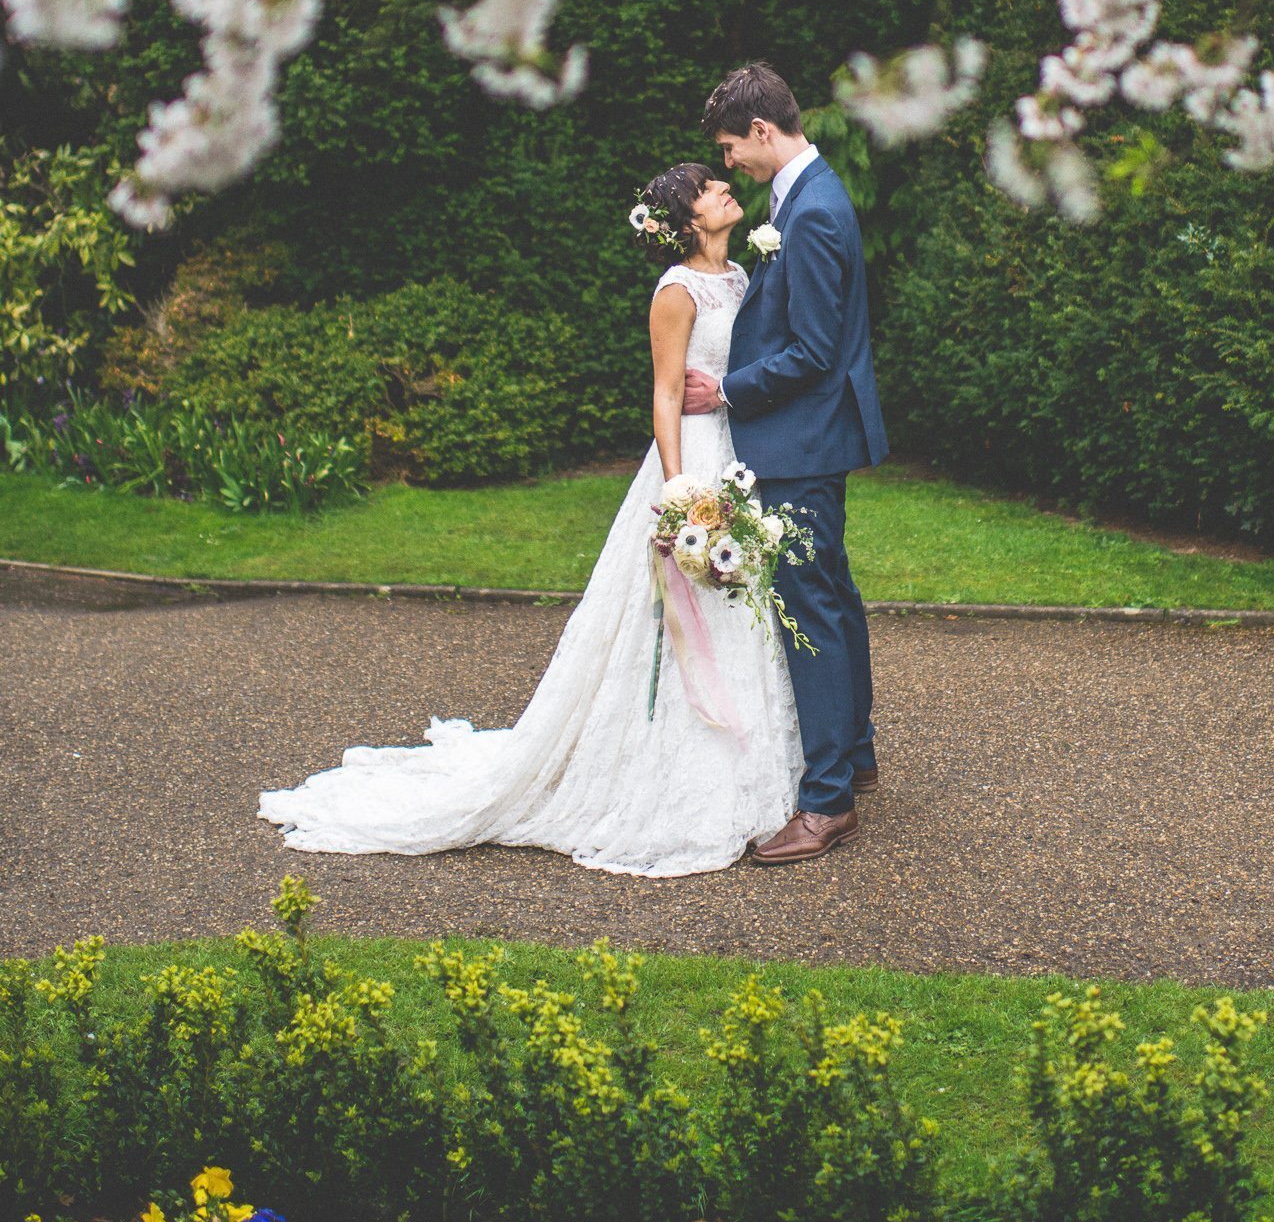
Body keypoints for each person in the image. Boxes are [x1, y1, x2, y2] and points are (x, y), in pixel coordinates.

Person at [258, 161, 803, 876]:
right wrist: (677, 494)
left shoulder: (740, 277)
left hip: (741, 456)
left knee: (743, 613)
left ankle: (757, 768)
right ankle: (665, 773)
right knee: (674, 619)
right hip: (696, 463)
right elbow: (664, 393)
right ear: (687, 219)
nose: (723, 190)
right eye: (707, 188)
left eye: (716, 182)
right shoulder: (676, 291)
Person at [684, 62, 888, 865]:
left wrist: (727, 391)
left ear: (763, 132)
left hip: (803, 439)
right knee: (831, 593)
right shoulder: (802, 197)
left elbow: (811, 352)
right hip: (812, 437)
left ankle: (827, 801)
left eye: (732, 146)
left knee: (811, 608)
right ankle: (857, 754)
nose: (728, 162)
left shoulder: (812, 215)